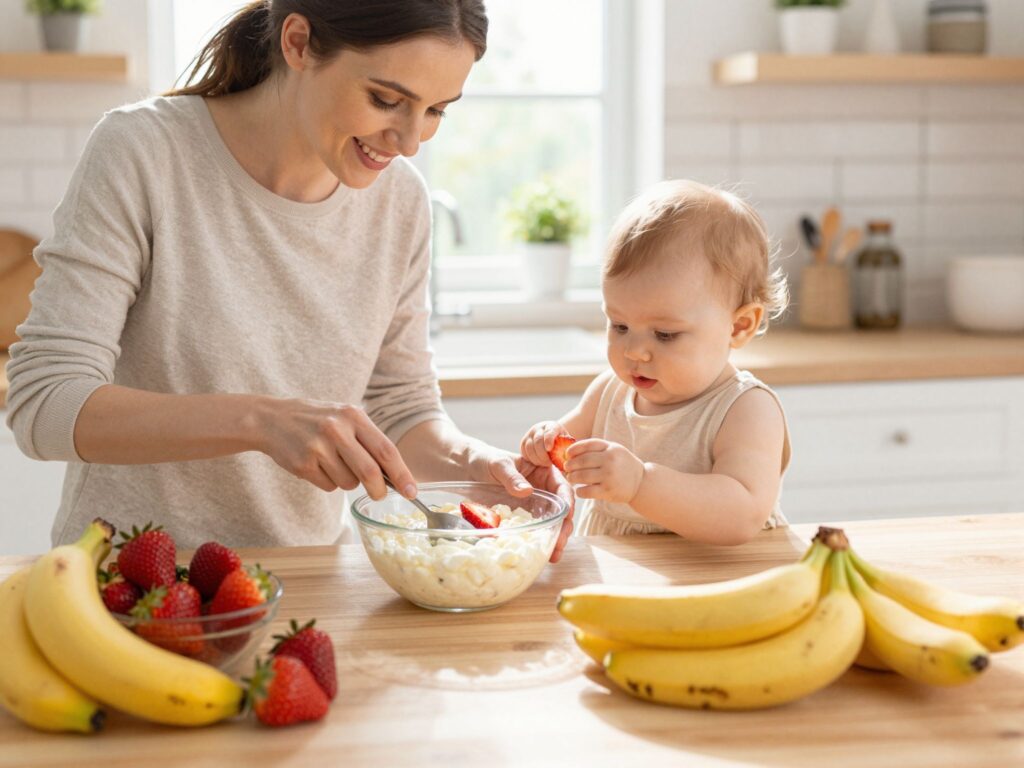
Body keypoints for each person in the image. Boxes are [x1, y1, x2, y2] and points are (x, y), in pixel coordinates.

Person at [5, 0, 573, 557]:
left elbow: (401, 407)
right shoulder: (145, 152)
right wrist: (262, 422)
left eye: (436, 110)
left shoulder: (400, 202)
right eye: (385, 99)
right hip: (131, 578)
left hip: (309, 582)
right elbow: (45, 403)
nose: (409, 141)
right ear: (298, 42)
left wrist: (483, 467)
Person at [520, 180, 790, 544]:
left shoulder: (746, 409)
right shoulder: (609, 393)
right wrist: (544, 444)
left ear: (739, 326)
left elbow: (742, 515)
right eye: (620, 325)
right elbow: (568, 456)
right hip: (622, 580)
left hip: (721, 584)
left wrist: (641, 483)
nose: (635, 351)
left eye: (664, 334)